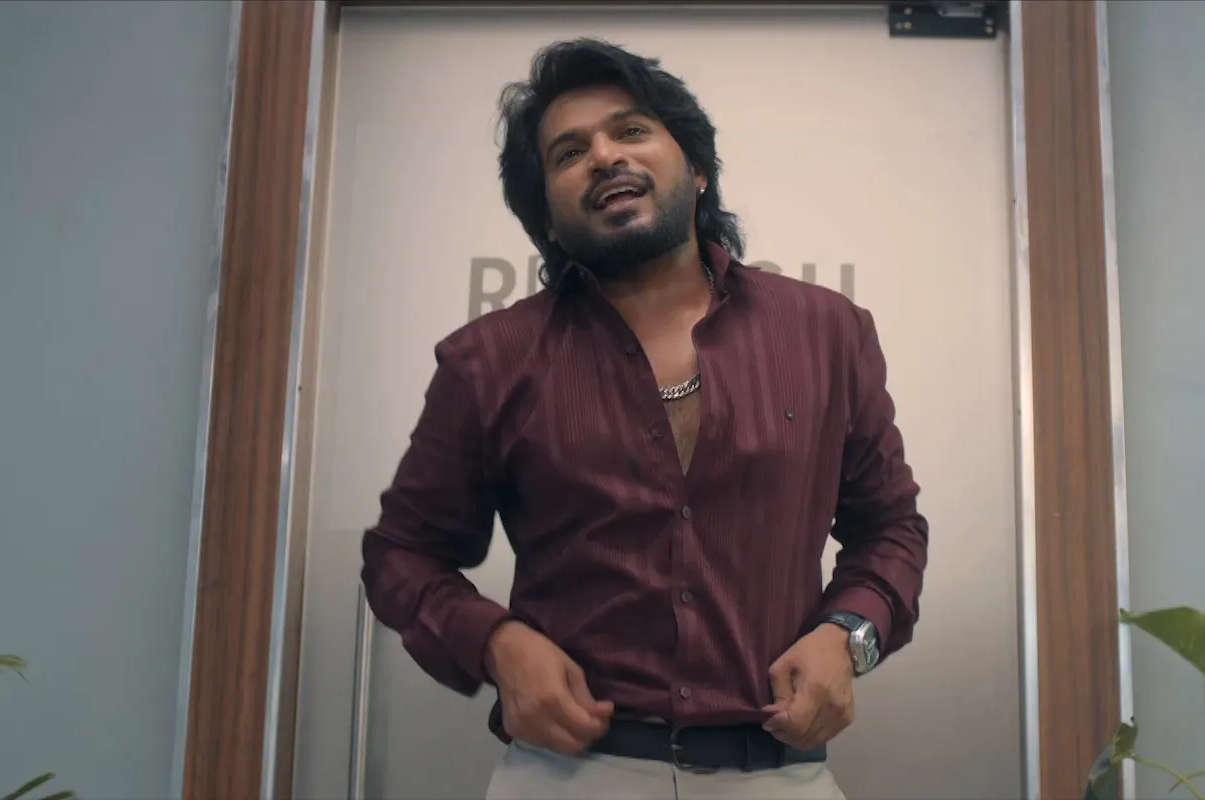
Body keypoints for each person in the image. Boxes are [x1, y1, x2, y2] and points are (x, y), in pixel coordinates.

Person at [361, 37, 929, 800]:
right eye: (569, 153)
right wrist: (495, 643)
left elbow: (890, 527)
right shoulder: (488, 360)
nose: (603, 156)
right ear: (546, 218)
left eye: (630, 130)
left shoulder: (827, 332)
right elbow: (402, 555)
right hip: (566, 776)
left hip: (779, 773)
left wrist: (848, 634)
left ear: (697, 169)